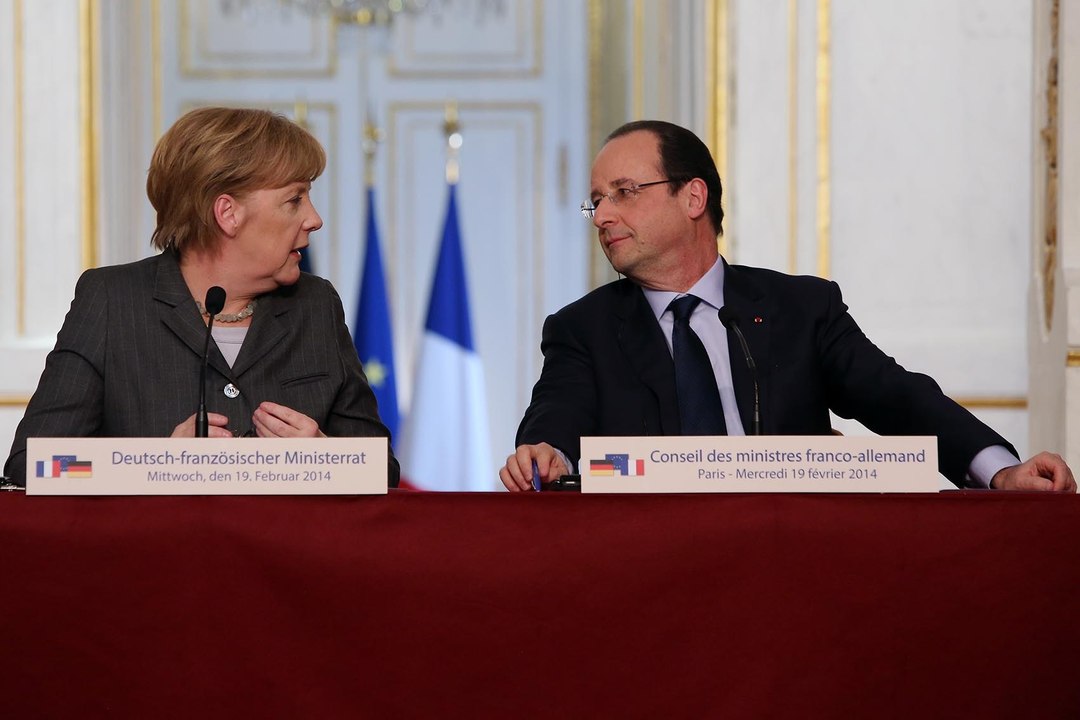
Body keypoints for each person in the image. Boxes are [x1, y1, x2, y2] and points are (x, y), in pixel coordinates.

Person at [500, 120, 1074, 493]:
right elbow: (556, 417)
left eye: (624, 193)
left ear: (693, 196)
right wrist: (544, 452)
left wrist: (999, 471)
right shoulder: (583, 329)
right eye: (596, 201)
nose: (602, 216)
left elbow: (898, 399)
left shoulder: (800, 308)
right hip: (653, 578)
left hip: (798, 567)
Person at [4, 107, 400, 487]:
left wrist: (325, 457)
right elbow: (37, 465)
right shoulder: (112, 301)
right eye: (294, 199)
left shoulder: (316, 305)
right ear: (227, 213)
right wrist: (157, 465)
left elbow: (382, 470)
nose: (314, 219)